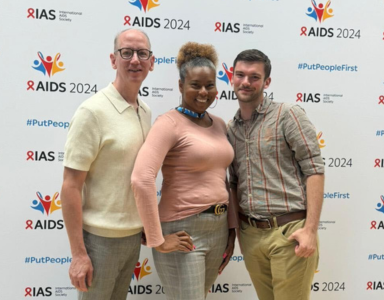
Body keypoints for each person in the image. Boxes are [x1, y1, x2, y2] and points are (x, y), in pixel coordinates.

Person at [131, 42, 237, 300]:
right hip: (183, 231)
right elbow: (141, 179)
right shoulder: (169, 123)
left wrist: (231, 230)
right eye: (195, 85)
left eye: (210, 85)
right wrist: (157, 239)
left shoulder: (220, 125)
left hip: (219, 229)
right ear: (180, 86)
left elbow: (226, 180)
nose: (203, 92)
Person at [61, 29, 154, 300]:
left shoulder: (145, 111)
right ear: (114, 60)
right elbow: (70, 186)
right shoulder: (92, 112)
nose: (135, 60)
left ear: (152, 61)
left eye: (142, 53)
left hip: (132, 237)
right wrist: (79, 254)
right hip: (99, 242)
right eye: (127, 53)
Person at [227, 49, 325, 300]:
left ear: (266, 82)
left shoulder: (287, 115)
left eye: (254, 76)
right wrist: (241, 236)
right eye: (240, 75)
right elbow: (235, 183)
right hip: (251, 236)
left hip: (289, 233)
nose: (246, 82)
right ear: (232, 77)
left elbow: (314, 169)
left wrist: (310, 230)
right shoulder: (231, 129)